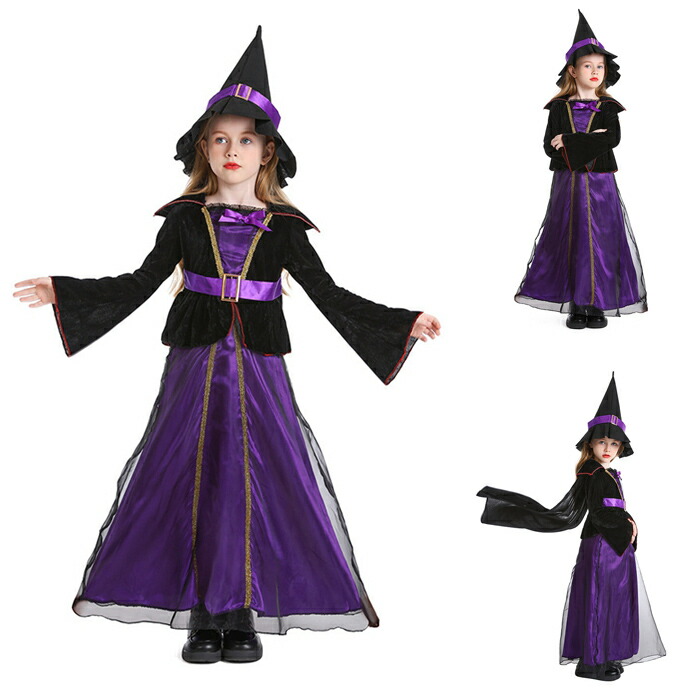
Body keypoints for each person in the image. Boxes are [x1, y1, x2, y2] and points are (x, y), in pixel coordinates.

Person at [13, 27, 440, 664]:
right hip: (194, 366)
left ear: (267, 153)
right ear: (204, 149)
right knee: (191, 474)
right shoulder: (185, 219)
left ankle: (240, 611)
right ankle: (202, 614)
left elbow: (329, 295)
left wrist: (403, 322)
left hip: (260, 371)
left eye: (244, 140)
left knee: (257, 476)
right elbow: (139, 283)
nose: (231, 150)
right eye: (219, 139)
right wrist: (65, 292)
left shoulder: (285, 227)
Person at [477, 374, 665, 681]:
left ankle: (606, 654)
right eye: (602, 442)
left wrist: (629, 524)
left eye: (613, 443)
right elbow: (600, 514)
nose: (608, 448)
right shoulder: (593, 473)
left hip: (614, 547)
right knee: (599, 599)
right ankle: (592, 662)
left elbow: (614, 510)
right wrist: (626, 526)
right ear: (591, 443)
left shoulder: (607, 473)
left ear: (620, 447)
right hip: (604, 546)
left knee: (613, 600)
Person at [514, 11, 647, 329]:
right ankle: (577, 304)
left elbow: (611, 140)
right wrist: (588, 141)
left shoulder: (609, 108)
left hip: (601, 187)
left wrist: (570, 141)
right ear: (573, 70)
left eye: (600, 66)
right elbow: (549, 147)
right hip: (568, 186)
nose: (595, 71)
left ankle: (597, 303)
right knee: (571, 238)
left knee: (603, 239)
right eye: (588, 66)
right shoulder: (558, 108)